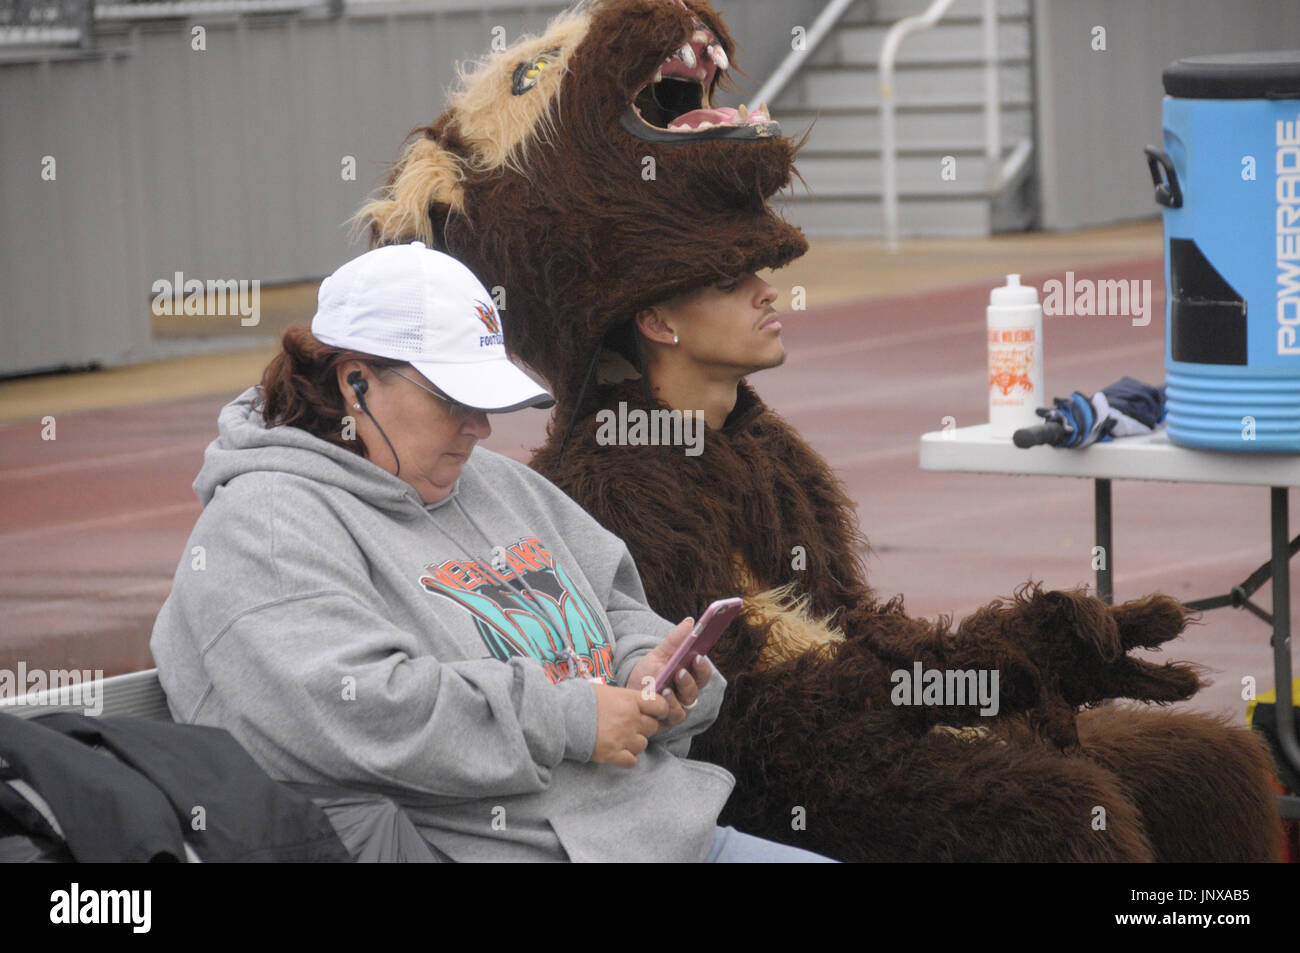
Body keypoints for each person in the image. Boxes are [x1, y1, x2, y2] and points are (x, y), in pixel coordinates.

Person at [354, 0, 1282, 861]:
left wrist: (1011, 656)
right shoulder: (617, 480)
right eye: (734, 278)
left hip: (861, 723)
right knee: (1063, 817)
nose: (770, 289)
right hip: (767, 779)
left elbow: (848, 630)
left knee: (1214, 767)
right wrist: (974, 674)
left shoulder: (761, 444)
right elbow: (754, 718)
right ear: (656, 320)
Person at [149, 241, 834, 863]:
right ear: (355, 383)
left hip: (663, 833)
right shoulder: (265, 523)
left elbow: (616, 600)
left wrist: (647, 667)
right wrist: (569, 715)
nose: (479, 427)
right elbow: (352, 710)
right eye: (454, 398)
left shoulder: (495, 484)